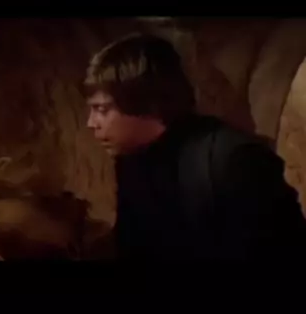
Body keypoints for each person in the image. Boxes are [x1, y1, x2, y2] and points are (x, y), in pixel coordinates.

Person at [84, 32, 306, 262]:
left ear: (146, 104)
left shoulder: (234, 160)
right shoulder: (131, 161)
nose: (91, 123)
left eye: (102, 110)